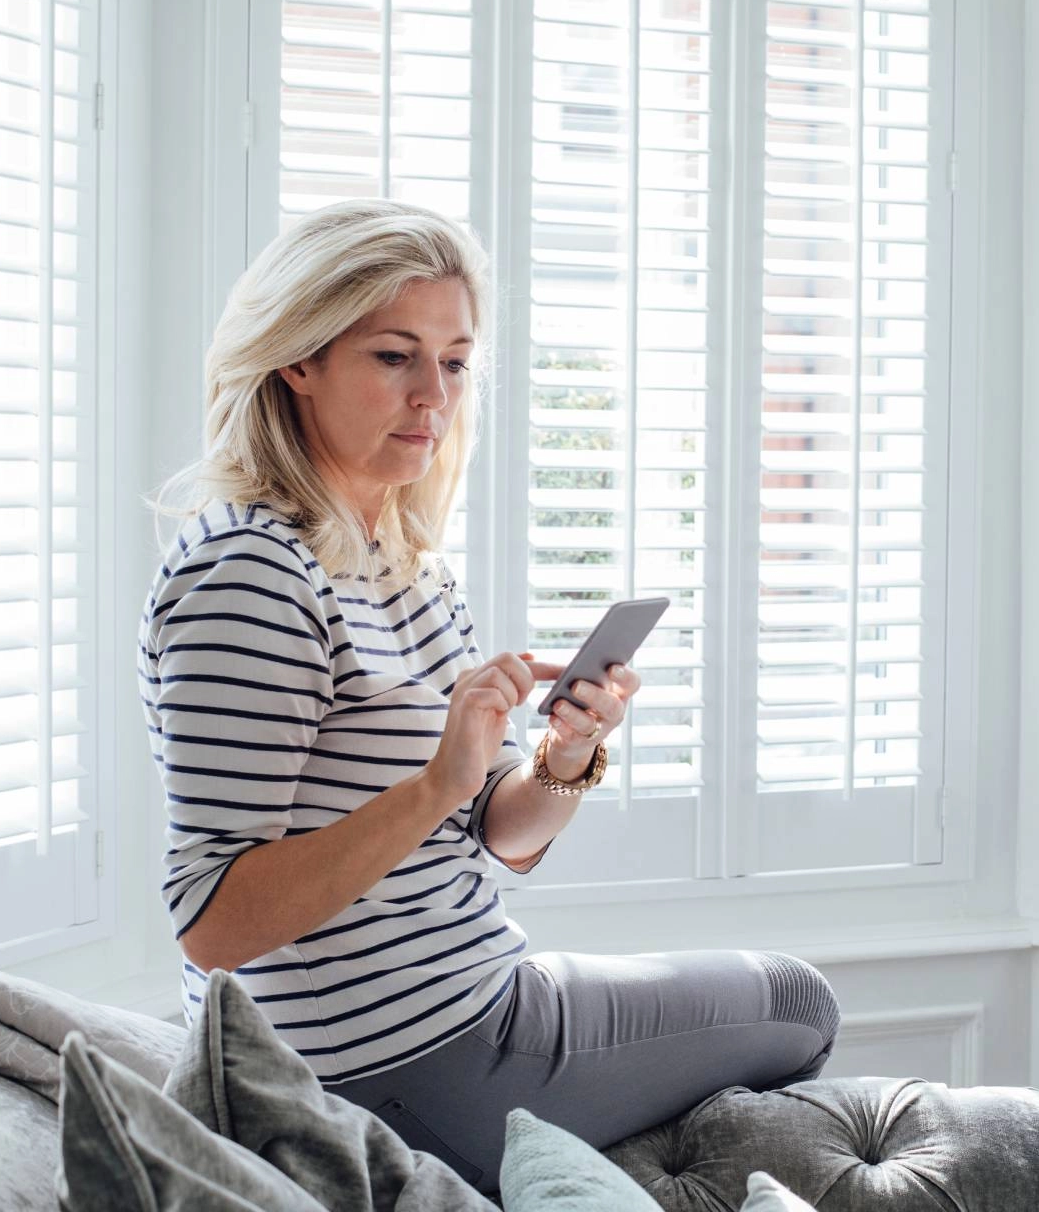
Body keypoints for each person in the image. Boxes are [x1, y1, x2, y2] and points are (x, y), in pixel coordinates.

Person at [138, 198, 839, 1194]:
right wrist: (436, 781)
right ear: (298, 358)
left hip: (478, 998)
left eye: (456, 361)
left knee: (779, 993)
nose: (434, 393)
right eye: (394, 355)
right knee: (799, 1002)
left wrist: (562, 759)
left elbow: (494, 835)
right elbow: (214, 920)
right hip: (388, 1060)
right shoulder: (248, 575)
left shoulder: (395, 556)